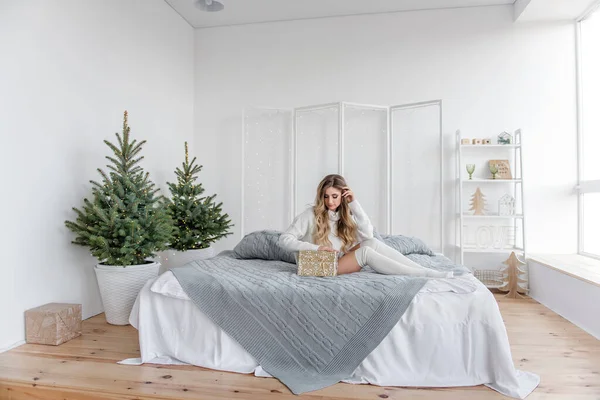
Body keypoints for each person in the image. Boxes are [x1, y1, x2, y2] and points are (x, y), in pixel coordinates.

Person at [278, 174, 453, 277]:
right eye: (326, 196)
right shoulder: (310, 215)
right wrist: (316, 248)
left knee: (372, 244)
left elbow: (368, 235)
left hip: (337, 260)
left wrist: (354, 204)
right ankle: (422, 275)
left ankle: (423, 270)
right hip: (320, 265)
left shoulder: (344, 216)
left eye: (334, 196)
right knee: (365, 253)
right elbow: (284, 240)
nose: (329, 201)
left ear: (342, 196)